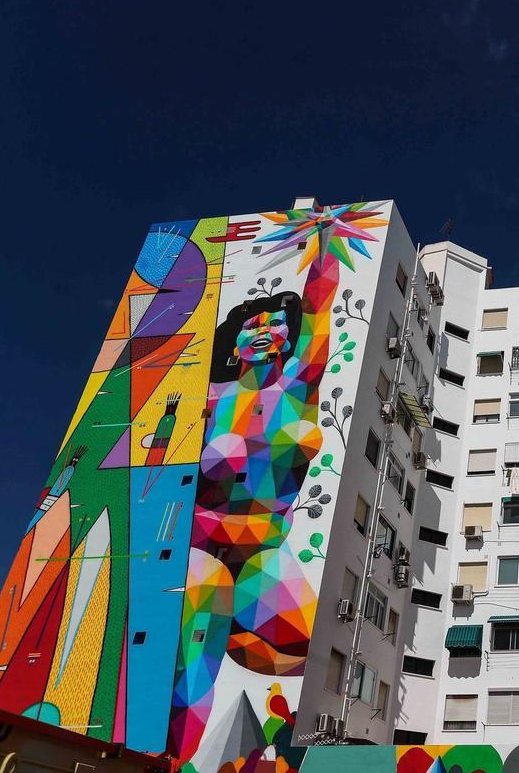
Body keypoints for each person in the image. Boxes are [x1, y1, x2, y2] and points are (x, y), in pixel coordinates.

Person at [169, 254, 336, 761]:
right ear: (233, 339)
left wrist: (327, 241)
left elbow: (320, 309)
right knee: (206, 591)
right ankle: (168, 755)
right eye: (252, 325)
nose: (264, 331)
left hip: (263, 554)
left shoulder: (298, 391)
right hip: (202, 547)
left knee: (319, 644)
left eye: (275, 323)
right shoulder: (209, 397)